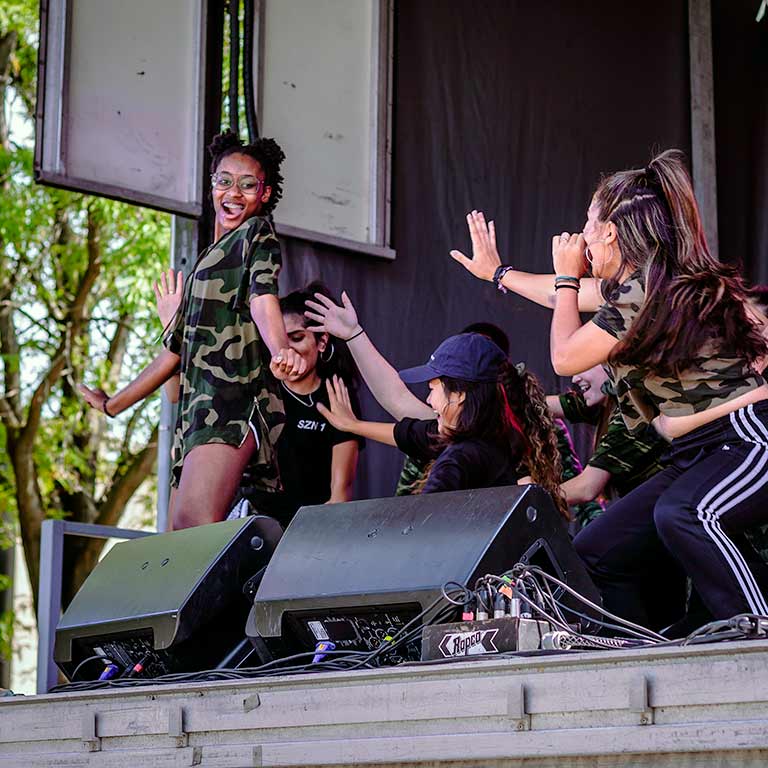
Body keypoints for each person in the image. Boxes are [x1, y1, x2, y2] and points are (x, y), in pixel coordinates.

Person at [453, 150, 768, 628]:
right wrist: (498, 275)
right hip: (696, 452)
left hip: (743, 438)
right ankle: (633, 658)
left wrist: (565, 275)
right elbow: (567, 297)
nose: (580, 236)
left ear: (611, 232)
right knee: (598, 549)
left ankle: (757, 635)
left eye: (587, 221)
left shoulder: (652, 289)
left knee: (684, 514)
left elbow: (565, 355)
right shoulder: (643, 287)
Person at [80, 131, 305, 530]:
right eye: (224, 180)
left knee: (192, 528)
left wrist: (280, 349)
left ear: (265, 193)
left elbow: (262, 297)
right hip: (196, 419)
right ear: (211, 185)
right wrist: (113, 404)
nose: (233, 192)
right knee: (179, 538)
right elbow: (173, 355)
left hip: (234, 405)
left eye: (248, 184)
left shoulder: (257, 234)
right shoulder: (205, 261)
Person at [305, 295, 568, 516]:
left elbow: (421, 527)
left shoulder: (461, 457)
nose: (429, 400)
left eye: (432, 388)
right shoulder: (492, 439)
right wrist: (353, 424)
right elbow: (405, 420)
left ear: (461, 394)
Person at [233, 283, 362, 528]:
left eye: (297, 338)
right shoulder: (259, 390)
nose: (287, 349)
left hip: (308, 532)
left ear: (321, 342)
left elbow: (340, 495)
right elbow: (175, 394)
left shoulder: (336, 394)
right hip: (252, 526)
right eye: (280, 340)